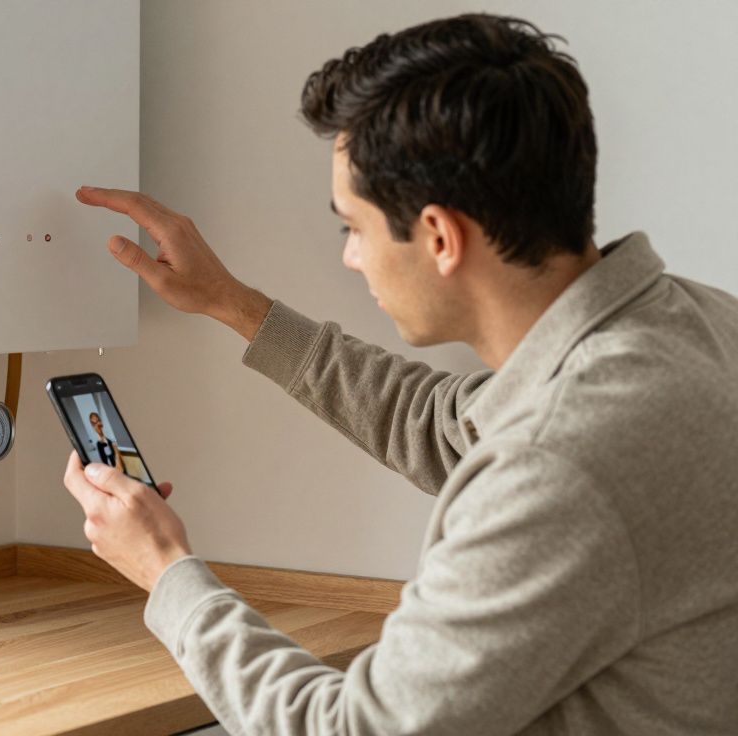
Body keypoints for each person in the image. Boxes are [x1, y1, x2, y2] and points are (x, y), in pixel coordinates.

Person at [62, 13, 738, 736]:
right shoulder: (692, 326)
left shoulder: (562, 463)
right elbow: (448, 425)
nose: (351, 257)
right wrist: (234, 305)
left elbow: (355, 730)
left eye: (353, 227)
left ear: (442, 237)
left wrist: (168, 571)